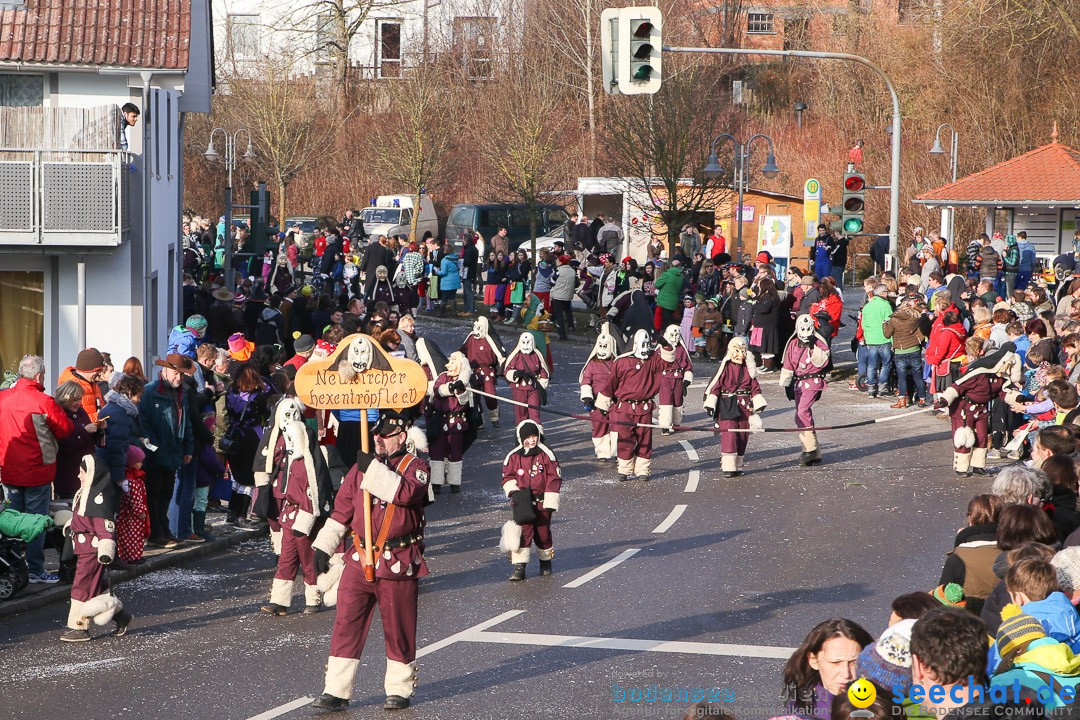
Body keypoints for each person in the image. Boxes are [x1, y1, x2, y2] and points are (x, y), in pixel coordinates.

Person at [309, 411, 430, 712]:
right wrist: (323, 547)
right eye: (376, 433)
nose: (378, 438)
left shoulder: (417, 467)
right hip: (359, 556)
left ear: (401, 437)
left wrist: (372, 469)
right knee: (345, 623)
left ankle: (399, 688)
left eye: (385, 435)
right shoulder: (362, 468)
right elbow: (342, 511)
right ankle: (336, 690)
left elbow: (405, 493)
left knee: (398, 627)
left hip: (397, 559)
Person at [254, 398, 335, 616]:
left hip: (304, 519)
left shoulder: (308, 463)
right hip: (288, 516)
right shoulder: (291, 461)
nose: (288, 442)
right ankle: (279, 601)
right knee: (286, 559)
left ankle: (313, 598)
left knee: (308, 560)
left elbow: (315, 491)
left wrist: (306, 520)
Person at [0, 355, 73, 583]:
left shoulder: (3, 398)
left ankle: (13, 568)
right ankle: (35, 569)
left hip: (9, 469)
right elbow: (65, 429)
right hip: (37, 471)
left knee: (12, 522)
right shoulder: (43, 401)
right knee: (36, 521)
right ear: (39, 375)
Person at [61, 448, 133, 642]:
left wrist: (106, 550)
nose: (78, 475)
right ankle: (121, 615)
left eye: (82, 472)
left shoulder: (98, 498)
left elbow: (104, 527)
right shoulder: (84, 493)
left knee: (82, 586)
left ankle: (79, 626)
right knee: (96, 586)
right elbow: (83, 518)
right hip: (84, 549)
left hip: (92, 551)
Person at [935, 342, 1022, 477]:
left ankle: (978, 465)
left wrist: (1020, 399)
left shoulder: (1000, 378)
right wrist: (945, 399)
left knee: (981, 437)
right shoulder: (978, 372)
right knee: (964, 438)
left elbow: (1004, 393)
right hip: (963, 408)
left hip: (981, 409)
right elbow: (958, 386)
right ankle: (961, 467)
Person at [139, 354, 195, 548]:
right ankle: (156, 533)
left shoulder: (182, 393)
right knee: (154, 494)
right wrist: (153, 447)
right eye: (175, 373)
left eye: (181, 374)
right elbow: (143, 423)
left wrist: (187, 448)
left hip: (173, 451)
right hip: (155, 452)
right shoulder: (150, 392)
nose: (178, 378)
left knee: (166, 494)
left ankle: (165, 530)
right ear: (164, 370)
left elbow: (186, 423)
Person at [595, 329, 665, 482]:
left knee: (645, 440)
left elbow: (669, 362)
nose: (645, 347)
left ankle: (642, 470)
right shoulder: (622, 362)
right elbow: (610, 383)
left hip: (645, 408)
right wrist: (603, 404)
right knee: (625, 439)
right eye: (643, 344)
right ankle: (625, 469)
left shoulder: (653, 360)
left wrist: (665, 345)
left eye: (648, 343)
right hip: (626, 408)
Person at [499, 420, 562, 581]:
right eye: (529, 437)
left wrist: (550, 499)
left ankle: (545, 561)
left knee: (543, 532)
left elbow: (554, 476)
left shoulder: (545, 454)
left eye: (535, 436)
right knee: (523, 532)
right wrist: (515, 492)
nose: (532, 440)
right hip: (523, 501)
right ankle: (519, 566)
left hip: (542, 502)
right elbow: (507, 476)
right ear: (521, 438)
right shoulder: (513, 456)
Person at [782, 618, 873, 718]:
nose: (846, 674)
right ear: (813, 660)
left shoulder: (883, 705)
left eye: (854, 663)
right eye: (835, 662)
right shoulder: (801, 711)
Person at [703, 337, 766, 477]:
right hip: (727, 405)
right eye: (737, 351)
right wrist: (711, 402)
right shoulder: (725, 367)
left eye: (742, 351)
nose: (739, 355)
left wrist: (759, 402)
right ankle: (729, 467)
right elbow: (716, 387)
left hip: (744, 406)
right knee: (729, 435)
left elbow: (755, 388)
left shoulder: (749, 369)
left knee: (743, 436)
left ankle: (737, 465)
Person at [779, 315, 830, 466]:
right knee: (800, 416)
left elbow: (824, 361)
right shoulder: (793, 343)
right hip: (798, 384)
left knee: (802, 411)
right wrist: (786, 382)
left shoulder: (818, 343)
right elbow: (788, 364)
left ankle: (810, 449)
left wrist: (814, 347)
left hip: (813, 382)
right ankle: (814, 452)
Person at [428, 352, 473, 494]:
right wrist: (450, 388)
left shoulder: (466, 382)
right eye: (451, 362)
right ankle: (436, 483)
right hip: (440, 420)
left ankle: (454, 482)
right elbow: (437, 390)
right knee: (437, 451)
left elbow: (465, 401)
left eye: (456, 363)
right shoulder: (443, 377)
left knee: (455, 452)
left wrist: (460, 390)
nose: (452, 366)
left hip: (457, 421)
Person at [53, 381, 100, 501]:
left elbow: (90, 438)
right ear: (66, 398)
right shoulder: (59, 415)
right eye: (75, 400)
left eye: (80, 399)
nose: (78, 403)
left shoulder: (80, 411)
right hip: (69, 476)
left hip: (86, 473)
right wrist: (84, 431)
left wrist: (98, 429)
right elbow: (64, 446)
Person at [580, 325, 620, 462]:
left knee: (617, 426)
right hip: (596, 402)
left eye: (605, 346)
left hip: (614, 401)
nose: (602, 350)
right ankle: (602, 452)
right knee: (599, 426)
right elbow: (586, 381)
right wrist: (587, 397)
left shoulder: (617, 363)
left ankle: (616, 451)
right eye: (600, 346)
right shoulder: (592, 364)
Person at [461, 316, 505, 430]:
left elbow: (500, 355)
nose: (476, 330)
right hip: (473, 371)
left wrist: (499, 371)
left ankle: (494, 418)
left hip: (487, 371)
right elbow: (463, 350)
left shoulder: (490, 339)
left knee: (490, 396)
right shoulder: (471, 338)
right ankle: (478, 420)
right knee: (474, 398)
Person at [504, 331, 550, 424]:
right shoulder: (516, 355)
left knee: (535, 414)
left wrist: (542, 382)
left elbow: (543, 369)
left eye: (528, 342)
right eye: (523, 342)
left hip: (534, 388)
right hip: (519, 388)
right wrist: (515, 373)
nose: (525, 345)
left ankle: (537, 434)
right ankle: (522, 435)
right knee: (521, 415)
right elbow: (507, 370)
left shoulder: (537, 355)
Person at [657, 324, 693, 436]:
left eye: (677, 335)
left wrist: (687, 380)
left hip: (678, 378)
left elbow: (688, 365)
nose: (675, 338)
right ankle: (665, 425)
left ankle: (676, 423)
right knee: (666, 401)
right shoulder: (661, 349)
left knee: (678, 401)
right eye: (672, 335)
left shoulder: (681, 349)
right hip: (665, 378)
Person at [58, 347, 108, 422]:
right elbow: (74, 416)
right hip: (83, 430)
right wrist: (100, 417)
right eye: (98, 370)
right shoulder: (71, 387)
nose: (100, 374)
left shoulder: (93, 383)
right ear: (89, 369)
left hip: (94, 429)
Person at [550, 255, 577, 341]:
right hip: (568, 295)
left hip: (558, 295)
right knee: (568, 311)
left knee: (559, 315)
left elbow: (552, 282)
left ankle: (562, 334)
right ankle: (571, 326)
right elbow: (576, 283)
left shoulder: (558, 271)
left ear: (561, 262)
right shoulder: (572, 271)